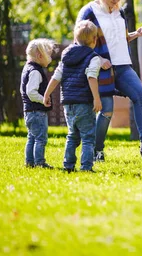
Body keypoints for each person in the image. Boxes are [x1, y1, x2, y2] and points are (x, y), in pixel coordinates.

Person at [76, 0, 142, 162]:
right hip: (102, 68)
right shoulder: (89, 12)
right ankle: (96, 150)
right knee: (107, 108)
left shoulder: (119, 11)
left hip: (123, 65)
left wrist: (135, 34)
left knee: (140, 95)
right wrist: (99, 60)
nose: (115, 0)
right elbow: (80, 43)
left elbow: (119, 38)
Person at [44, 20, 102, 172]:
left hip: (68, 103)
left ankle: (68, 165)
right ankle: (86, 167)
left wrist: (46, 94)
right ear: (94, 40)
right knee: (88, 137)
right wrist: (96, 98)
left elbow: (57, 76)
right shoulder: (94, 57)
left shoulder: (66, 56)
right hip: (84, 102)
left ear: (76, 39)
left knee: (72, 135)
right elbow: (91, 77)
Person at [20, 38, 56, 169]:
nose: (50, 58)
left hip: (29, 111)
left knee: (32, 137)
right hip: (37, 112)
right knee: (40, 139)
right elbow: (31, 92)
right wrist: (43, 99)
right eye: (49, 54)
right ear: (40, 55)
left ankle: (29, 162)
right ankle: (40, 162)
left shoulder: (27, 68)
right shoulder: (35, 71)